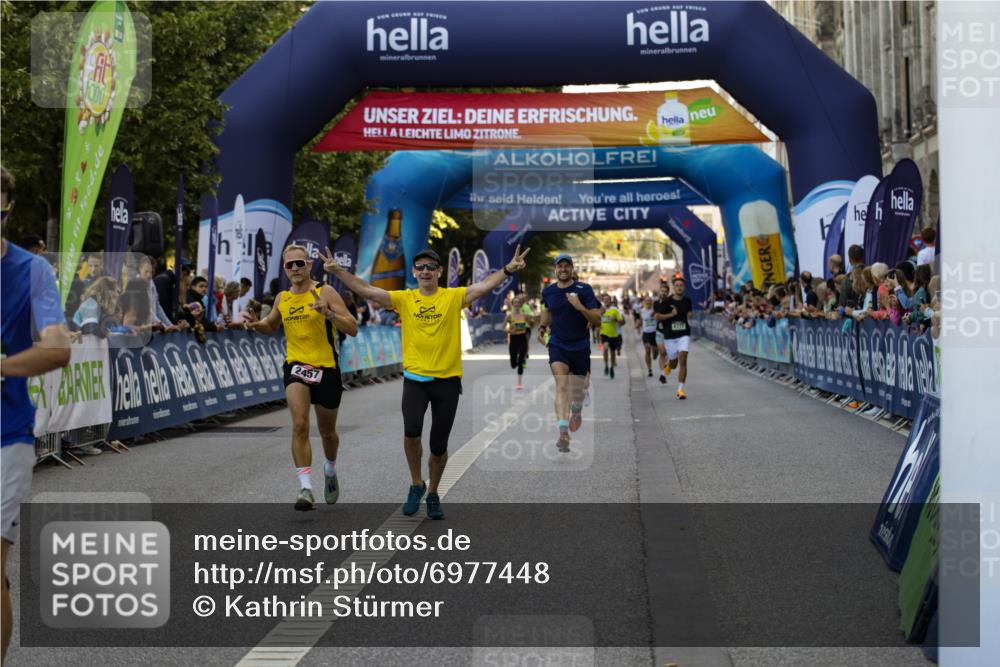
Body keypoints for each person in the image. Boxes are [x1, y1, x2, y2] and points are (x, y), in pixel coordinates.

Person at [324, 244, 530, 519]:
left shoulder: (453, 296)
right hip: (415, 379)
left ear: (439, 271)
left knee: (438, 446)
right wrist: (338, 271)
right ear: (414, 272)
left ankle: (433, 492)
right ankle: (415, 484)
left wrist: (507, 270)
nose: (425, 271)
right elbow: (367, 289)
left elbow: (481, 287)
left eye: (430, 267)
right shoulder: (405, 299)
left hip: (447, 381)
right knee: (411, 432)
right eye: (420, 267)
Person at [1, 166, 72, 662]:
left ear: (6, 205)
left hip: (6, 437)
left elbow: (57, 349)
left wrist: (2, 366)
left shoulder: (32, 272)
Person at [246, 245, 358, 510]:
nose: (295, 269)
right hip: (296, 367)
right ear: (284, 270)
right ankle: (305, 488)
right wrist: (254, 325)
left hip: (327, 369)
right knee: (299, 424)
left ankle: (330, 469)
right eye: (289, 265)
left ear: (309, 265)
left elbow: (352, 327)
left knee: (328, 433)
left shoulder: (325, 292)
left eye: (299, 264)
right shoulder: (282, 298)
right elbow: (271, 325)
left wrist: (328, 313)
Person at [537, 254, 601, 453]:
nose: (563, 269)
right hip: (558, 344)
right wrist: (541, 327)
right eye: (560, 266)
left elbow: (597, 319)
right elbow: (547, 310)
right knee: (562, 385)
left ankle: (577, 408)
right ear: (555, 269)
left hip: (580, 346)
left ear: (572, 268)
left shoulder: (584, 290)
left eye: (567, 266)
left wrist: (579, 306)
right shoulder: (548, 291)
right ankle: (563, 432)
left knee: (578, 391)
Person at [656, 275, 694, 399]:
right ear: (673, 287)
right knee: (674, 364)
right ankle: (667, 367)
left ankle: (680, 390)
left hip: (684, 334)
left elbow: (689, 312)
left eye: (681, 286)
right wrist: (671, 315)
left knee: (683, 358)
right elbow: (658, 317)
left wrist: (690, 314)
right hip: (670, 336)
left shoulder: (688, 301)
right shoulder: (667, 301)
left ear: (684, 287)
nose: (679, 287)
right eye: (677, 285)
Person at [504, 294, 530, 390]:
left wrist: (530, 323)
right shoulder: (509, 316)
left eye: (518, 302)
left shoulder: (524, 315)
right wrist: (509, 331)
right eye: (515, 302)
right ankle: (514, 362)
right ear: (513, 304)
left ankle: (519, 383)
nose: (517, 304)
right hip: (513, 339)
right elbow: (503, 328)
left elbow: (532, 323)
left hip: (522, 339)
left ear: (520, 304)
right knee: (513, 364)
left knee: (520, 362)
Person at [599, 293, 624, 379]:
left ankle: (611, 368)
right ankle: (606, 365)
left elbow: (622, 322)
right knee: (605, 348)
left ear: (610, 301)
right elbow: (596, 319)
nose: (606, 301)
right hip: (604, 333)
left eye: (607, 300)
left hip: (614, 334)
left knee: (613, 353)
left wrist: (616, 319)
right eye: (604, 300)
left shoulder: (615, 310)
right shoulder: (601, 310)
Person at [639, 296, 658, 377]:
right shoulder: (642, 311)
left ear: (652, 302)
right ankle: (649, 369)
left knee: (655, 351)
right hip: (646, 333)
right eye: (646, 301)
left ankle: (655, 353)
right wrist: (637, 325)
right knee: (647, 350)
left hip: (654, 333)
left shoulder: (655, 311)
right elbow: (641, 321)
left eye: (649, 301)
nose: (648, 302)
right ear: (644, 302)